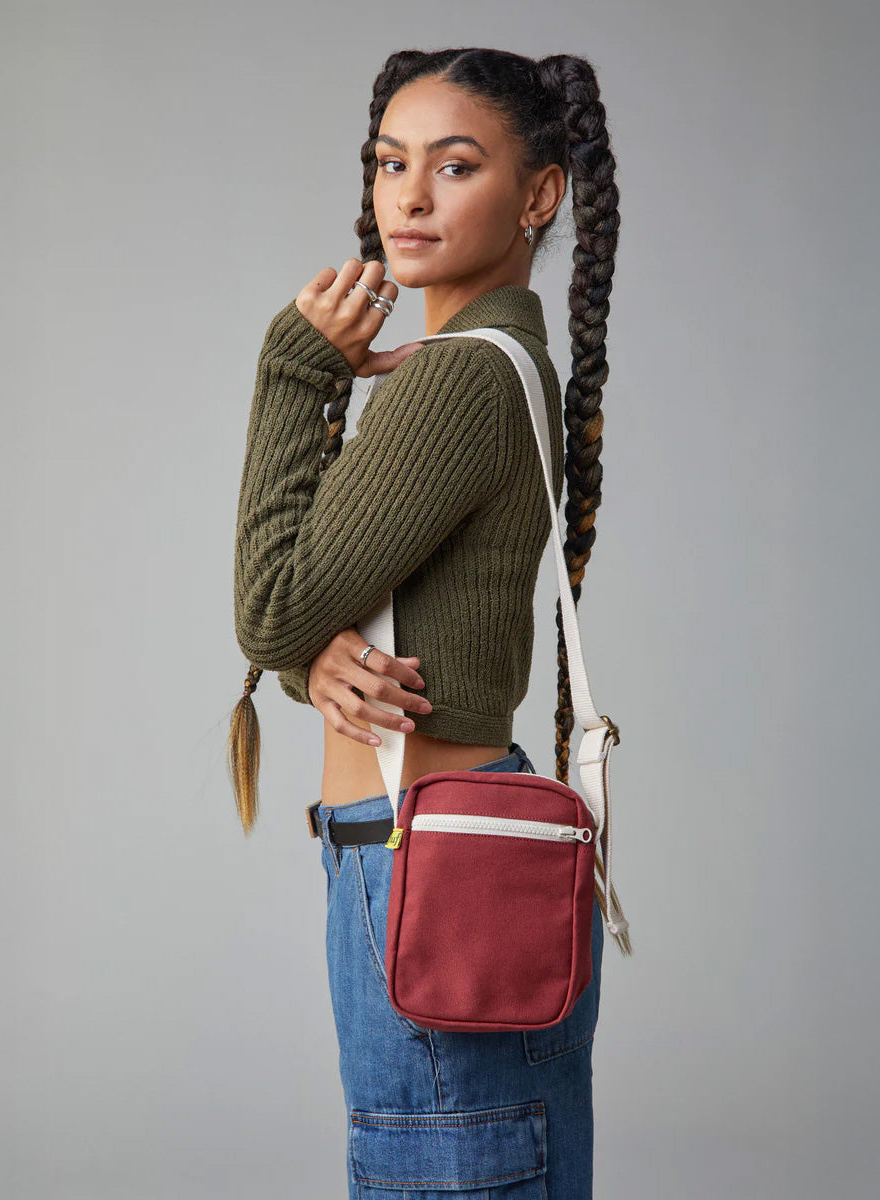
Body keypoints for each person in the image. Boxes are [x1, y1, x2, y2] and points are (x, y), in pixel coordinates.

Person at [229, 47, 630, 1199]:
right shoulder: (500, 364)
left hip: (420, 862)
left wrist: (294, 368)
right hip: (449, 849)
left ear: (538, 195)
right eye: (389, 163)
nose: (405, 197)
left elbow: (269, 607)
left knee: (453, 1168)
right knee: (491, 1157)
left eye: (454, 166)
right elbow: (340, 631)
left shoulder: (459, 377)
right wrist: (314, 670)